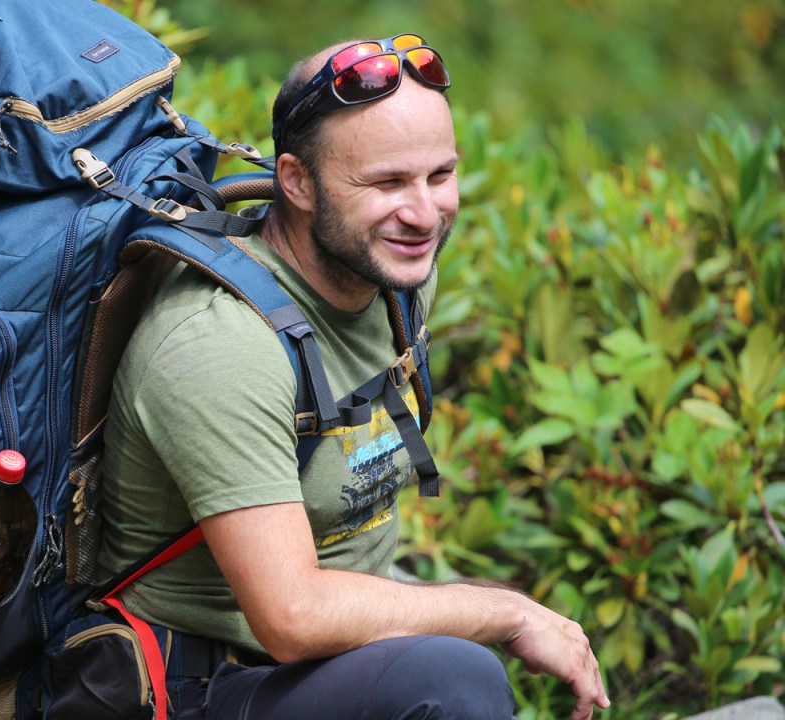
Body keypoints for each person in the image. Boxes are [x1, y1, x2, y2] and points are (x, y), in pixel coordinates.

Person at [96, 34, 612, 720]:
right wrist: (505, 614)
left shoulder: (390, 279)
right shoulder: (219, 345)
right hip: (198, 683)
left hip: (329, 659)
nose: (425, 214)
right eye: (387, 183)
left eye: (440, 175)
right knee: (457, 683)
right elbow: (292, 617)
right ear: (296, 181)